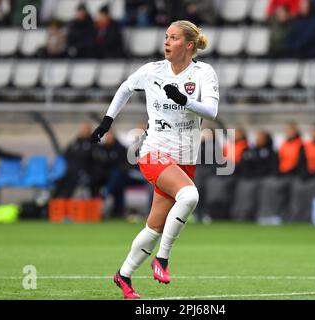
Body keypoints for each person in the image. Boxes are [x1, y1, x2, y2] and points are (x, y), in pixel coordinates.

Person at [91, 20, 219, 298]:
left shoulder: (203, 73)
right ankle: (162, 259)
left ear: (188, 45)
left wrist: (184, 101)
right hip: (153, 151)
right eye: (165, 37)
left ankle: (123, 275)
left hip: (185, 157)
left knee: (154, 227)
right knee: (190, 197)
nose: (167, 42)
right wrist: (107, 121)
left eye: (173, 38)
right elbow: (125, 87)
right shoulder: (152, 71)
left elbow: (211, 111)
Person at [258, 122, 306, 223]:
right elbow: (278, 160)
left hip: (293, 174)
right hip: (282, 173)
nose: (289, 132)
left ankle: (283, 215)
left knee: (283, 187)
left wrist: (289, 172)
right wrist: (278, 172)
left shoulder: (301, 145)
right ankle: (268, 214)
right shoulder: (284, 144)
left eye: (291, 130)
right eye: (287, 130)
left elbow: (300, 162)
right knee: (268, 184)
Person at [230, 130, 278, 221]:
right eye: (257, 138)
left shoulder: (270, 152)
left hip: (263, 178)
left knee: (265, 187)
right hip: (249, 178)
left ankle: (264, 215)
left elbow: (272, 167)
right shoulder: (250, 151)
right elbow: (244, 165)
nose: (257, 140)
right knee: (243, 188)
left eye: (260, 138)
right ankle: (241, 214)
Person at [91, 131, 129, 217]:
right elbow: (98, 164)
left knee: (117, 179)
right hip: (104, 176)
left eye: (110, 136)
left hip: (119, 176)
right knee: (115, 184)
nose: (109, 138)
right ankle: (99, 208)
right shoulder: (101, 149)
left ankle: (104, 198)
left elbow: (124, 165)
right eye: (107, 136)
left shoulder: (120, 149)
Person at [52, 122, 94, 198]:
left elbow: (90, 159)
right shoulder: (75, 142)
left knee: (70, 184)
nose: (84, 131)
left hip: (83, 172)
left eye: (86, 129)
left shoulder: (92, 143)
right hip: (70, 171)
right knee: (59, 182)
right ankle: (53, 202)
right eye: (83, 129)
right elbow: (66, 154)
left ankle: (66, 201)